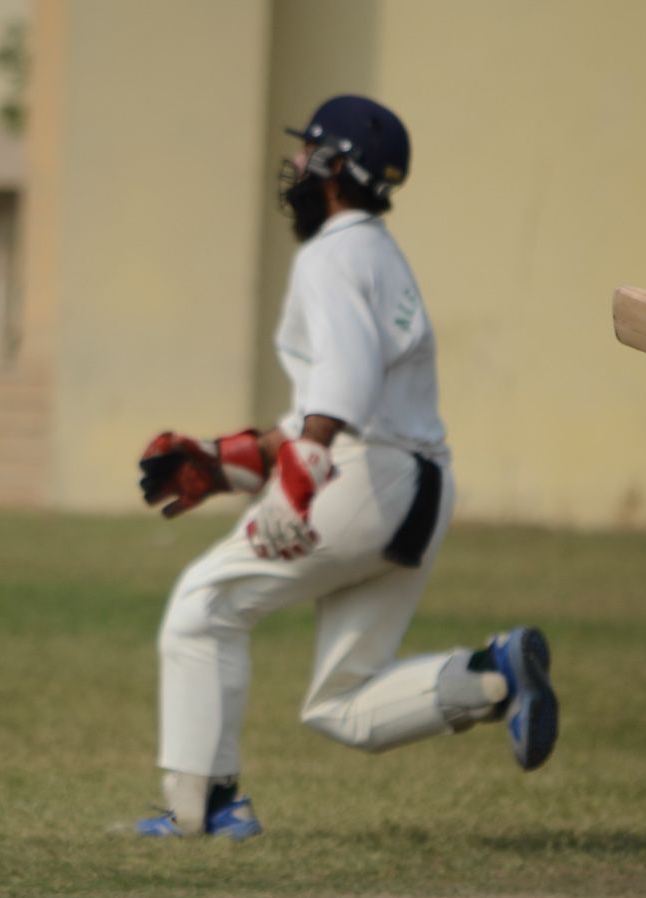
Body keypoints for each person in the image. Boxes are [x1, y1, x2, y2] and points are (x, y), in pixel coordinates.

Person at [133, 95, 559, 839]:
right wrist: (225, 461)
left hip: (367, 477)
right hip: (420, 486)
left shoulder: (330, 254)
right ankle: (493, 676)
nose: (297, 166)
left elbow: (347, 382)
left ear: (334, 166)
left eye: (308, 153)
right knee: (343, 704)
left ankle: (204, 808)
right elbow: (332, 399)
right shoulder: (377, 254)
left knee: (205, 606)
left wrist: (299, 477)